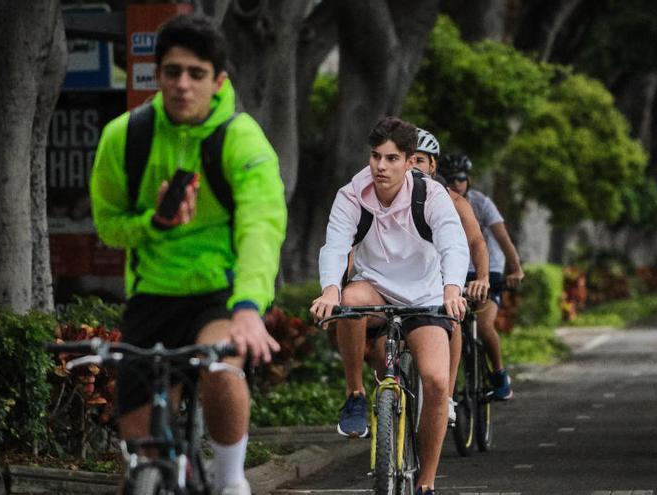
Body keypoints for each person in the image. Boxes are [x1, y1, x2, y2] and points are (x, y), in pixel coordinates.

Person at [89, 14, 287, 495]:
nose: (182, 85)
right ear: (156, 76)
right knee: (138, 461)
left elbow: (262, 226)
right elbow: (108, 227)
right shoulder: (125, 137)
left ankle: (231, 477)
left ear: (218, 80)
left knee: (221, 368)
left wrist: (247, 309)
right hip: (151, 296)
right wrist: (152, 222)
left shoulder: (240, 139)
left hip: (218, 295)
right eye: (172, 72)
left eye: (196, 73)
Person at [311, 117, 469, 495]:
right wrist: (330, 290)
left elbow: (453, 244)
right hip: (376, 289)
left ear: (410, 160)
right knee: (349, 301)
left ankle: (427, 483)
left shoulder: (431, 195)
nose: (380, 166)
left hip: (426, 296)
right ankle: (354, 395)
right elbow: (334, 246)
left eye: (391, 158)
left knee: (434, 382)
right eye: (375, 156)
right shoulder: (352, 194)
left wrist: (452, 289)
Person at [412, 129, 490, 424]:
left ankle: (445, 396)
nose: (413, 166)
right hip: (408, 282)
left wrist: (481, 277)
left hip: (447, 280)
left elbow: (476, 242)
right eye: (408, 159)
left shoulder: (454, 201)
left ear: (433, 166)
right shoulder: (387, 196)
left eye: (420, 160)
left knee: (453, 318)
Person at [437, 154, 524, 401]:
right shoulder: (436, 200)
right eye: (450, 179)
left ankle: (498, 374)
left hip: (486, 271)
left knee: (484, 325)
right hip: (454, 272)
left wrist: (515, 269)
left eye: (461, 178)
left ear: (469, 179)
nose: (456, 184)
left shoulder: (482, 203)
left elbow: (503, 238)